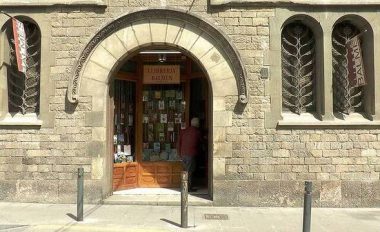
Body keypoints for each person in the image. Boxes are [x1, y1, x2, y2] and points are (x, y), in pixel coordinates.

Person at [178, 117, 202, 192]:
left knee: (185, 171)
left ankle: (184, 187)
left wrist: (179, 154)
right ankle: (188, 188)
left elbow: (178, 143)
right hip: (190, 155)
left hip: (183, 154)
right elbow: (201, 141)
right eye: (199, 123)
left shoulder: (184, 131)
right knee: (189, 172)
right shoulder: (197, 132)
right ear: (197, 124)